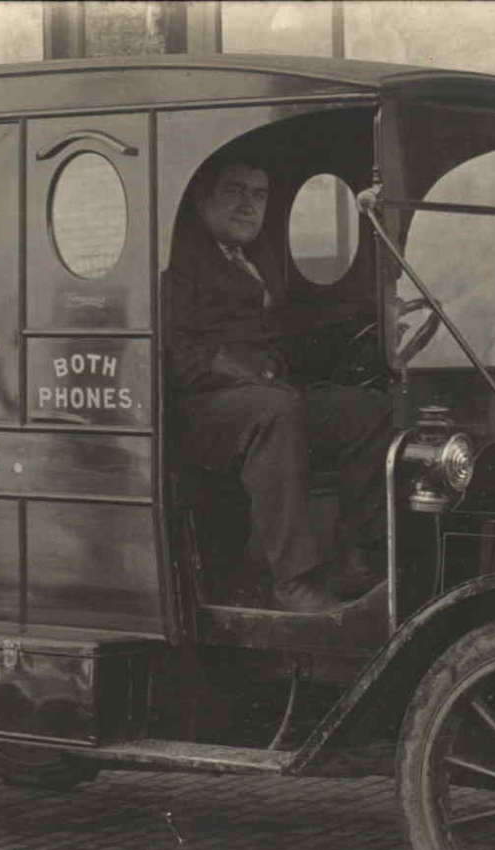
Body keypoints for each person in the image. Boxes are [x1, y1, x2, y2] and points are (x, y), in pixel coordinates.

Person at [162, 154, 390, 613]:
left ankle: (356, 555)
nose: (249, 205)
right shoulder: (179, 259)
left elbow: (281, 334)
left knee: (370, 411)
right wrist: (255, 375)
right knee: (276, 412)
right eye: (235, 191)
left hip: (264, 397)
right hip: (201, 411)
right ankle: (293, 580)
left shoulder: (258, 256)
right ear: (203, 200)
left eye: (259, 195)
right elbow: (181, 356)